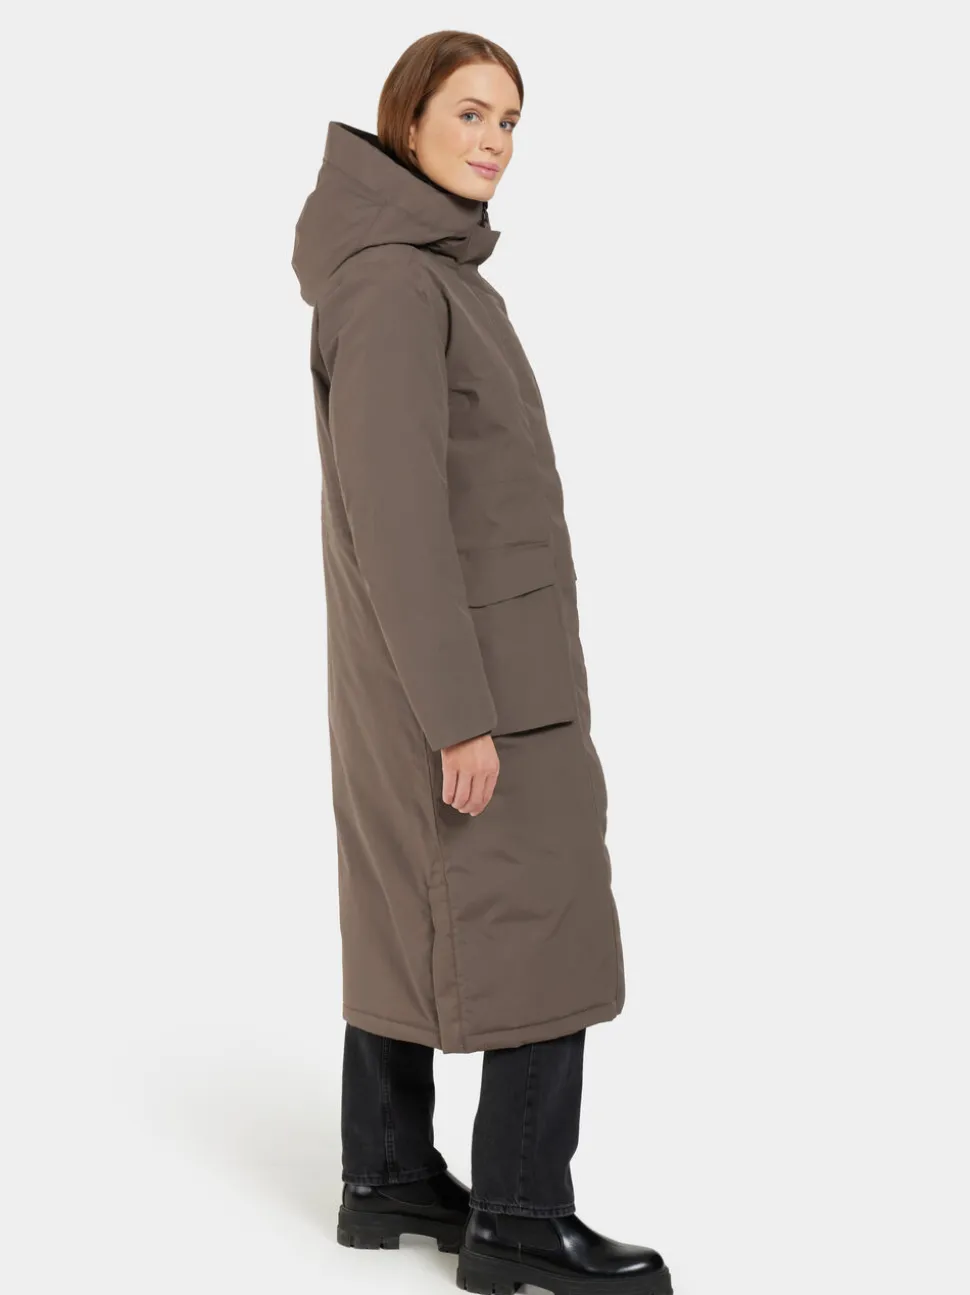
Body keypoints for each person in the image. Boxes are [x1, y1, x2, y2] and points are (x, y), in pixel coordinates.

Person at [291, 29, 673, 1295]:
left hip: (457, 670)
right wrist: (459, 714)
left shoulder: (421, 274)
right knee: (542, 918)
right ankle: (518, 1210)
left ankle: (389, 1172)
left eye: (510, 119)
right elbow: (397, 518)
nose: (496, 140)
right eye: (470, 113)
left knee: (404, 905)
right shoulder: (399, 286)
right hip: (476, 687)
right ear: (406, 121)